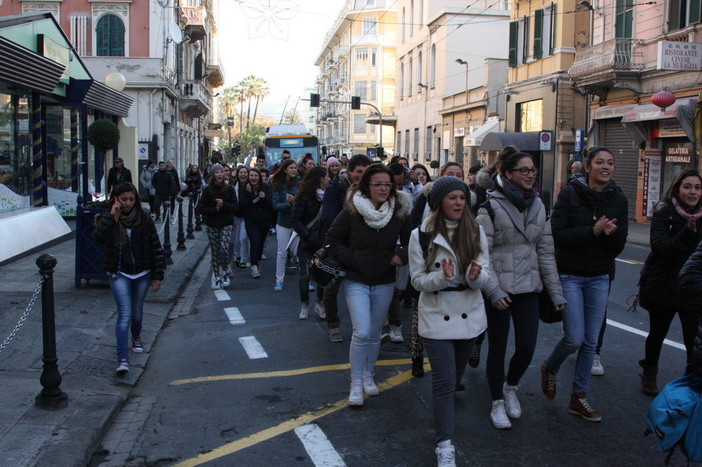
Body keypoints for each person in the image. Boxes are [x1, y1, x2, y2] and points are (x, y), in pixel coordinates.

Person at [476, 150, 566, 429]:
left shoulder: (539, 206)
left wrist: (556, 292)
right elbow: (483, 255)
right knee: (498, 349)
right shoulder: (488, 208)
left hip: (528, 287)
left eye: (532, 170)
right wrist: (493, 291)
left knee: (527, 347)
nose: (530, 174)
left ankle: (510, 387)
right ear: (507, 174)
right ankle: (496, 402)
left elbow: (546, 251)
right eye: (524, 170)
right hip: (498, 291)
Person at [409, 176, 490, 467]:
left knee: (455, 379)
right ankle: (445, 444)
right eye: (452, 197)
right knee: (444, 384)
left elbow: (487, 275)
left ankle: (444, 429)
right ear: (439, 202)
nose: (458, 202)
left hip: (469, 311)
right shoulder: (421, 234)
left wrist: (475, 275)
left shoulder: (476, 231)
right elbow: (417, 281)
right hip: (436, 312)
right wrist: (442, 276)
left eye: (462, 197)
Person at [542, 146, 628, 422]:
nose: (606, 167)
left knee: (591, 342)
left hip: (600, 276)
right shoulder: (570, 194)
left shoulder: (619, 199)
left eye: (610, 163)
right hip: (570, 275)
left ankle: (578, 398)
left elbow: (618, 247)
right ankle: (551, 366)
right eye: (600, 162)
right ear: (587, 167)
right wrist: (592, 231)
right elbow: (558, 235)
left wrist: (608, 235)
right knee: (574, 338)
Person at [325, 165, 413, 406]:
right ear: (367, 186)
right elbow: (332, 240)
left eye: (388, 184)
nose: (384, 188)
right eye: (378, 184)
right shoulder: (352, 210)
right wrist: (354, 258)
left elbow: (412, 241)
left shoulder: (399, 211)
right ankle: (355, 382)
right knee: (361, 331)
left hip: (385, 279)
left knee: (374, 333)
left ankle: (368, 376)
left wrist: (401, 255)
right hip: (356, 279)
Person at [638, 168, 702, 396]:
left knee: (693, 340)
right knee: (658, 333)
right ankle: (649, 372)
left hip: (692, 290)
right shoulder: (664, 212)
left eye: (697, 187)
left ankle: (692, 381)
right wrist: (687, 233)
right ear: (677, 188)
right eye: (687, 187)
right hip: (664, 285)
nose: (692, 192)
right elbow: (661, 248)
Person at [92, 182, 163, 375]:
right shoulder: (109, 218)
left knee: (137, 312)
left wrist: (157, 274)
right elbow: (98, 238)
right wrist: (112, 217)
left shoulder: (144, 217)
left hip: (142, 271)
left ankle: (136, 336)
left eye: (131, 199)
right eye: (124, 200)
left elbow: (155, 245)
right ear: (116, 199)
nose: (128, 203)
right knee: (124, 314)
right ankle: (122, 358)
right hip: (119, 271)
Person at [409, 161, 465, 377]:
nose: (455, 177)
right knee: (419, 315)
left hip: (455, 272)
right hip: (426, 258)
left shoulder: (465, 202)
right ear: (441, 175)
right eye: (450, 174)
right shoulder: (426, 196)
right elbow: (413, 222)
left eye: (459, 174)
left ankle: (454, 370)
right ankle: (417, 356)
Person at [320, 154, 372, 342]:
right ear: (350, 171)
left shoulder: (370, 189)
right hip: (339, 246)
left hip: (361, 247)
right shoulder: (335, 188)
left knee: (367, 287)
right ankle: (333, 325)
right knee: (332, 288)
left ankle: (369, 326)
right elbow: (329, 218)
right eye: (359, 172)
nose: (362, 176)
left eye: (366, 172)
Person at [291, 166, 329, 319]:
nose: (329, 179)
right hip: (307, 242)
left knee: (322, 275)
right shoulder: (304, 196)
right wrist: (308, 235)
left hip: (323, 241)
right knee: (305, 275)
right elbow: (295, 219)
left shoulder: (329, 196)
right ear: (320, 179)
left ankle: (320, 303)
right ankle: (304, 305)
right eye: (326, 176)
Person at [200, 164, 238, 290]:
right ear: (213, 175)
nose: (220, 174)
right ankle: (217, 276)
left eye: (221, 172)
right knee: (215, 251)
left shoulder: (230, 189)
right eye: (217, 172)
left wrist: (224, 205)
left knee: (224, 247)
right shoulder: (207, 191)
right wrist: (214, 209)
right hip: (212, 224)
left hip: (226, 222)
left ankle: (225, 271)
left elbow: (235, 207)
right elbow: (201, 208)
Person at [271, 158, 299, 290]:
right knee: (282, 252)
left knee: (300, 252)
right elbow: (276, 205)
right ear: (285, 169)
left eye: (295, 168)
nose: (294, 170)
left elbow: (304, 202)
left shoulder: (299, 183)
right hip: (283, 223)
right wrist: (288, 204)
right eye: (291, 168)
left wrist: (296, 202)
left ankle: (307, 280)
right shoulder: (278, 184)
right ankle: (279, 280)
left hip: (297, 222)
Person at [240, 167, 273, 279]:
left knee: (260, 243)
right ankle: (254, 266)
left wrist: (263, 198)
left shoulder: (267, 187)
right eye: (251, 176)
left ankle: (257, 260)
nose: (253, 178)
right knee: (255, 241)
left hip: (264, 220)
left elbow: (270, 204)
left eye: (255, 176)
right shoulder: (245, 188)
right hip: (251, 220)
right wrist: (249, 194)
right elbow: (243, 205)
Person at [231, 166, 250, 270]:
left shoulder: (250, 186)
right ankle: (237, 256)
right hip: (235, 215)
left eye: (245, 172)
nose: (243, 174)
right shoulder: (234, 185)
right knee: (235, 239)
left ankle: (243, 259)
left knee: (243, 238)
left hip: (246, 216)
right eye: (241, 172)